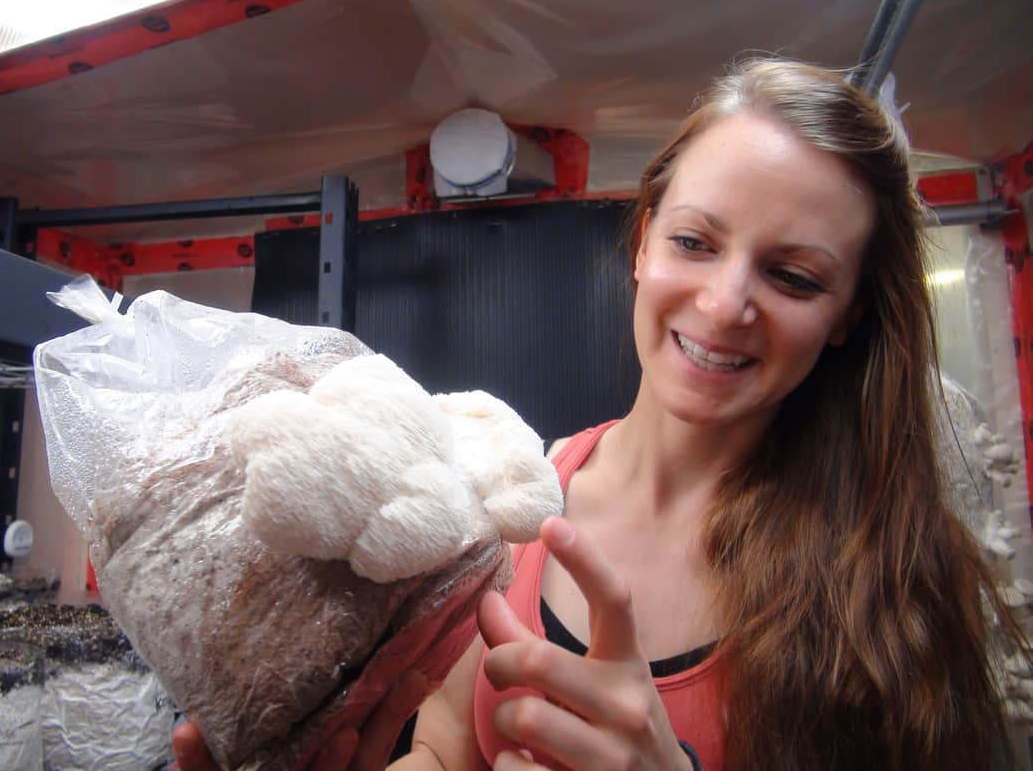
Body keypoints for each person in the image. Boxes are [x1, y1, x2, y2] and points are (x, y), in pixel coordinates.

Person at [173, 58, 1024, 771]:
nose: (726, 306)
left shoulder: (888, 569)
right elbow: (441, 748)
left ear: (846, 316)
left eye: (793, 277)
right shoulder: (520, 497)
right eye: (695, 242)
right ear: (645, 242)